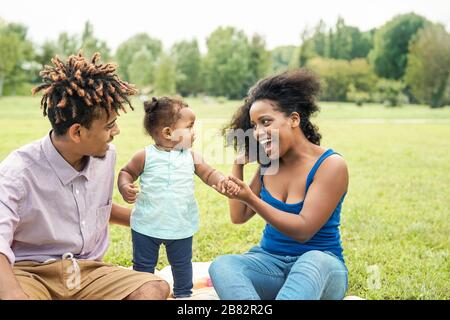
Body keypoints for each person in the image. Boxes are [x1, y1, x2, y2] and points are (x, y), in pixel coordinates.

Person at [0, 53, 170, 300]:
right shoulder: (17, 172)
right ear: (77, 132)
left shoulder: (105, 156)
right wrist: (13, 293)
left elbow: (95, 209)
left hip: (87, 271)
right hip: (30, 273)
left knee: (154, 288)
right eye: (109, 125)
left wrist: (153, 220)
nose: (117, 131)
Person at [209, 70, 349, 300]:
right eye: (254, 126)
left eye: (266, 122)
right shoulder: (268, 165)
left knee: (312, 260)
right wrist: (238, 165)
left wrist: (251, 198)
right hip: (270, 265)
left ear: (294, 119)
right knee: (223, 265)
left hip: (321, 269)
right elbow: (239, 216)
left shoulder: (331, 165)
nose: (258, 132)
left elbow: (303, 230)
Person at [117, 96, 239, 298]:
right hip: (146, 224)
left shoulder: (191, 156)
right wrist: (124, 185)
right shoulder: (145, 156)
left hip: (180, 224)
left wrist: (222, 182)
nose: (194, 133)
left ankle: (183, 293)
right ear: (168, 132)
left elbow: (209, 173)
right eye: (190, 127)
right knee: (143, 266)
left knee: (182, 264)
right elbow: (126, 172)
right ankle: (141, 291)